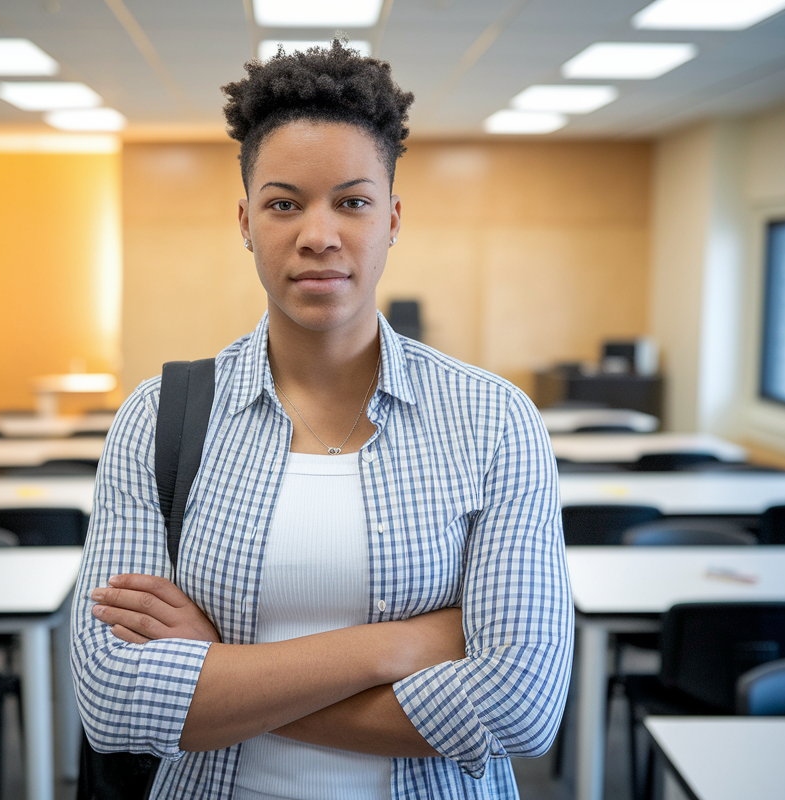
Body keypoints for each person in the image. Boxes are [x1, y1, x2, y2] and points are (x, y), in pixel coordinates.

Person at [72, 40, 572, 799]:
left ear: (393, 218)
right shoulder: (159, 419)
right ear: (245, 221)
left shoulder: (493, 420)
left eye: (352, 201)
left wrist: (220, 668)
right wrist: (403, 645)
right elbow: (113, 703)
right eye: (283, 203)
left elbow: (521, 712)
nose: (318, 234)